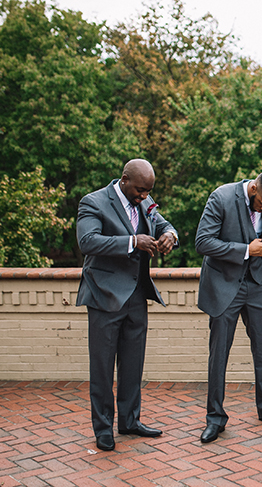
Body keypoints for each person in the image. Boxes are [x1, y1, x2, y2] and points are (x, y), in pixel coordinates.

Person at [76, 158, 178, 451]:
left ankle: (130, 421)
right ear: (124, 179)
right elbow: (88, 241)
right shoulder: (93, 202)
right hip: (104, 296)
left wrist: (169, 235)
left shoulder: (145, 200)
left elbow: (162, 222)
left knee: (133, 365)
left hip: (136, 295)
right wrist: (133, 242)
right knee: (103, 368)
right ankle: (103, 428)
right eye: (141, 190)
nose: (145, 196)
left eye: (148, 191)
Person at [195, 171, 262, 443]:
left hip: (256, 285)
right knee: (219, 353)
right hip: (224, 285)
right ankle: (215, 418)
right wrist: (246, 250)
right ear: (253, 188)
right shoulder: (220, 197)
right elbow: (203, 242)